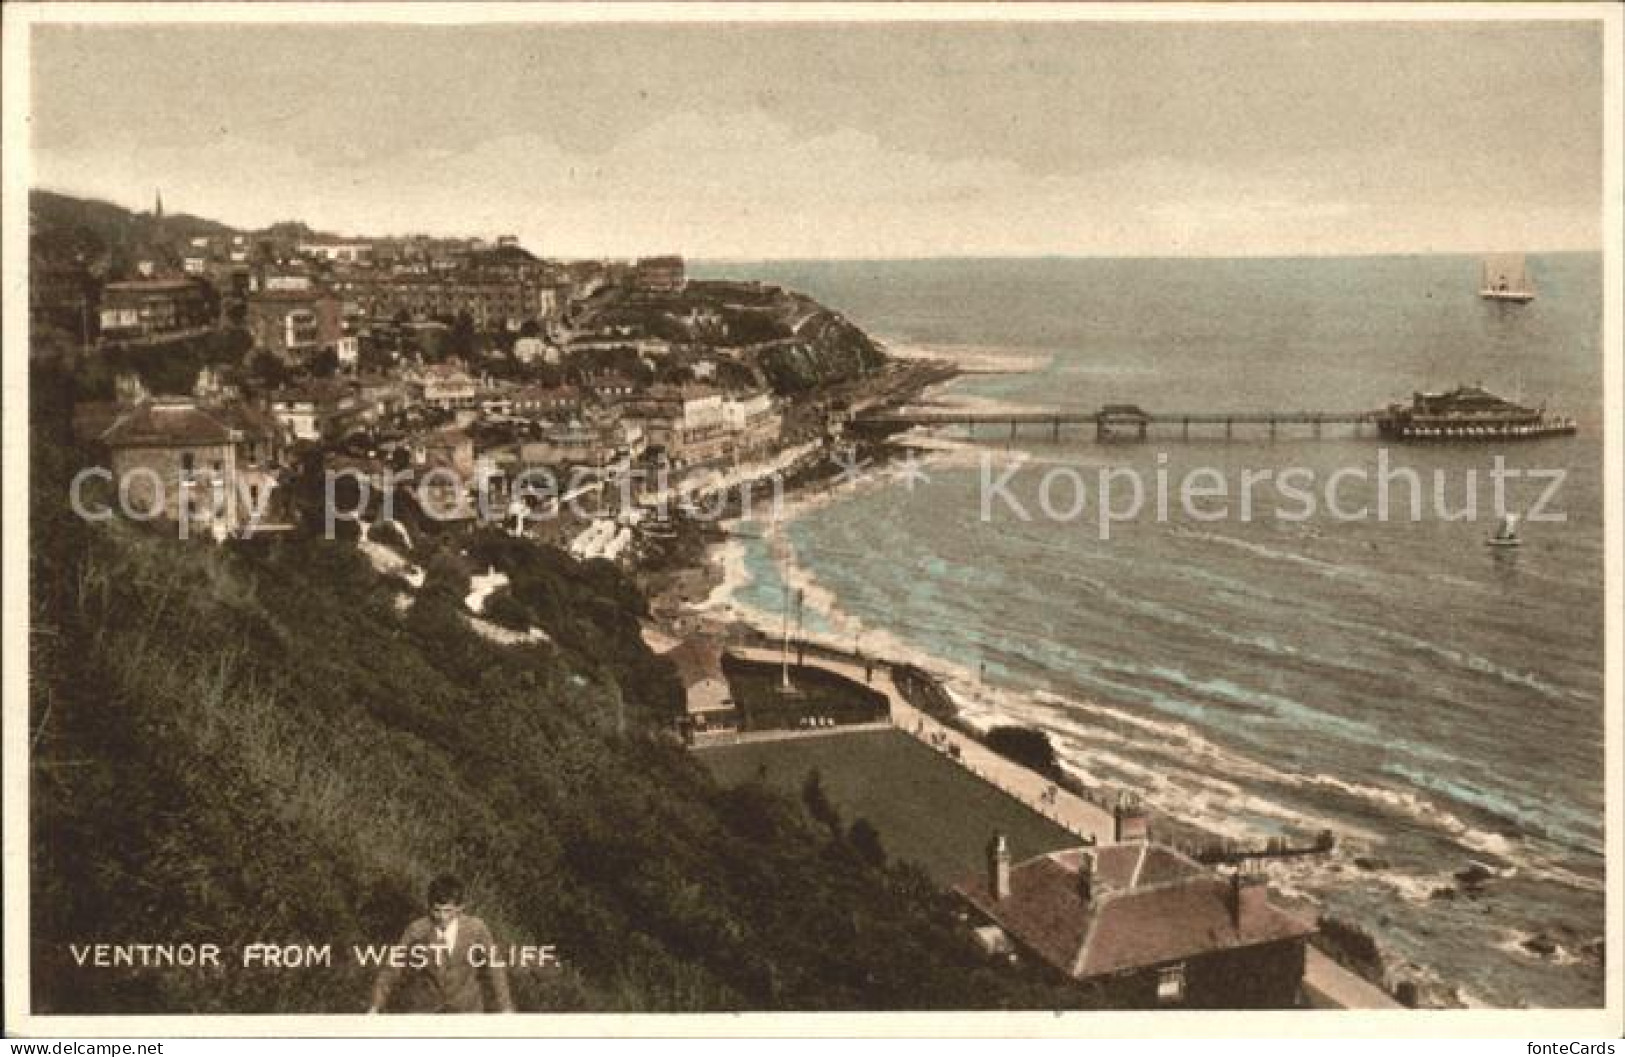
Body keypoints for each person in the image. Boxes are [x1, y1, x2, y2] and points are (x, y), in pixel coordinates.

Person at [368, 873, 516, 1014]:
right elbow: (393, 967)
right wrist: (375, 1005)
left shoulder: (476, 929)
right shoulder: (417, 930)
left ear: (460, 908)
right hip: (426, 1010)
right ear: (429, 907)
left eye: (448, 911)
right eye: (437, 911)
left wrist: (506, 1007)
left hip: (467, 1010)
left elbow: (495, 969)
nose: (442, 917)